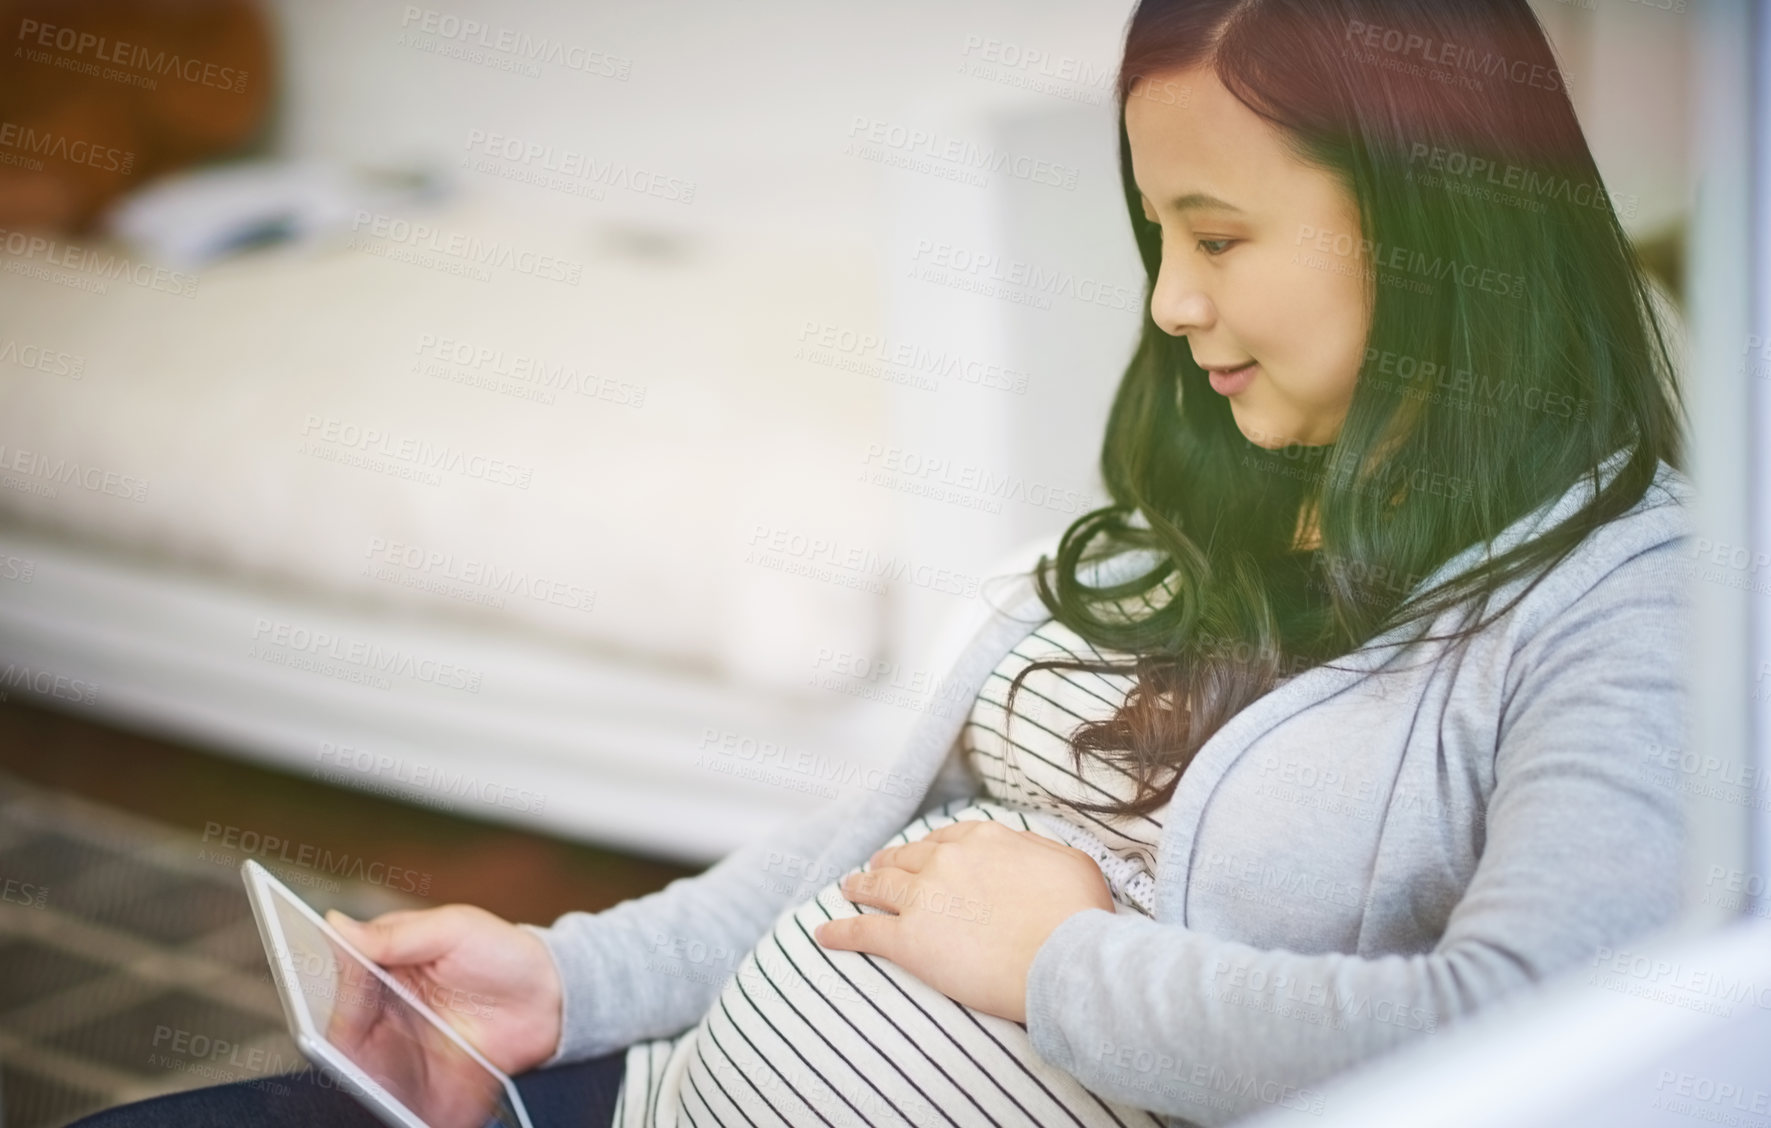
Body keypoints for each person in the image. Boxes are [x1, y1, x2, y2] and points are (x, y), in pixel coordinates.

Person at [74, 0, 1693, 1125]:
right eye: (1157, 244)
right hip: (655, 1093)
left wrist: (1065, 968)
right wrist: (560, 984)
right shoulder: (1252, 479)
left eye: (1218, 238)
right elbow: (858, 857)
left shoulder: (1631, 597)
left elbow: (1543, 1038)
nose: (1171, 308)